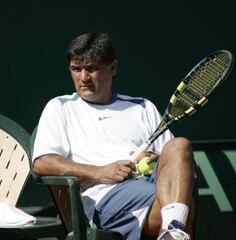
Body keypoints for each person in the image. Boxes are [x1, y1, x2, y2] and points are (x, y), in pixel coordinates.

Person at [32, 32, 195, 240]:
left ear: (113, 68)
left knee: (179, 145)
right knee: (183, 203)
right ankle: (174, 226)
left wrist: (155, 159)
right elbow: (43, 163)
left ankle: (172, 229)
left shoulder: (143, 106)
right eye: (76, 69)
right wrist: (100, 172)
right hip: (103, 201)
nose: (83, 78)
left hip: (152, 188)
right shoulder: (60, 107)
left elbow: (173, 164)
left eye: (91, 68)